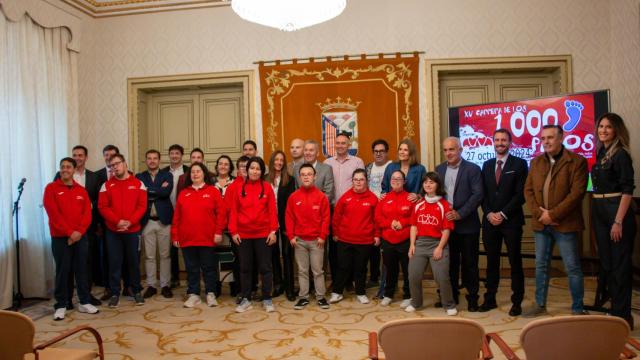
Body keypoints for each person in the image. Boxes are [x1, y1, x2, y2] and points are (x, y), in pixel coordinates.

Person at [523, 125, 588, 317]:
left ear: (561, 138)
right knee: (541, 265)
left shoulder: (577, 161)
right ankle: (540, 305)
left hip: (565, 225)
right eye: (543, 138)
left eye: (550, 138)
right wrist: (539, 214)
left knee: (572, 267)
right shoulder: (535, 162)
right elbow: (528, 191)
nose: (546, 142)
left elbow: (577, 194)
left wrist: (553, 215)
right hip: (541, 223)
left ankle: (577, 307)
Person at [591, 113, 636, 329]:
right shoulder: (601, 152)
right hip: (599, 210)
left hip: (616, 211)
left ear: (617, 129)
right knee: (607, 264)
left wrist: (618, 221)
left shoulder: (621, 155)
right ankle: (614, 309)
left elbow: (628, 190)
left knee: (619, 266)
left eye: (608, 127)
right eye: (601, 126)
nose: (604, 130)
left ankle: (623, 316)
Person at [479, 129, 528, 316]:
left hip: (511, 222)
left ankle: (517, 302)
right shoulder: (487, 164)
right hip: (490, 221)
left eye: (504, 140)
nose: (500, 143)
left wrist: (503, 214)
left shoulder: (520, 164)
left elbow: (521, 194)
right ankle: (490, 298)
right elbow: (482, 194)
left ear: (510, 142)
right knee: (491, 262)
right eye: (497, 140)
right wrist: (490, 213)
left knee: (515, 262)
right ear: (493, 142)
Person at [44, 157, 99, 320]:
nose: (65, 169)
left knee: (82, 270)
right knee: (63, 271)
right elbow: (53, 214)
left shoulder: (81, 191)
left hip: (80, 237)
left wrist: (78, 233)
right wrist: (69, 233)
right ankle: (61, 304)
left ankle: (84, 301)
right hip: (61, 238)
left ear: (74, 170)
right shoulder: (51, 188)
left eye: (68, 167)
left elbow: (87, 214)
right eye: (62, 167)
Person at [435, 137, 483, 312]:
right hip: (447, 227)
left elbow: (477, 195)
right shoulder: (439, 169)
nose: (448, 153)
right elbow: (435, 194)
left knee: (470, 264)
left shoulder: (473, 169)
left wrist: (460, 213)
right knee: (450, 264)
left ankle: (472, 298)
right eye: (445, 150)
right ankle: (451, 297)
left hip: (468, 225)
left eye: (452, 149)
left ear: (460, 150)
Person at [172, 162, 226, 308]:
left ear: (204, 174)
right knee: (191, 268)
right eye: (193, 172)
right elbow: (176, 217)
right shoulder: (184, 193)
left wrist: (218, 232)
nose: (195, 174)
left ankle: (210, 293)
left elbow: (221, 214)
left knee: (209, 268)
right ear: (190, 176)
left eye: (198, 171)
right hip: (187, 238)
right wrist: (175, 236)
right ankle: (194, 294)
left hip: (207, 238)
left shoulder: (213, 191)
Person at [229, 157, 279, 313]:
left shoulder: (267, 188)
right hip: (243, 235)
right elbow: (233, 211)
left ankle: (267, 298)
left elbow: (272, 211)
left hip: (263, 234)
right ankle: (245, 299)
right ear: (247, 170)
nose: (254, 171)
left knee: (265, 268)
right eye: (252, 168)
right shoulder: (238, 188)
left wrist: (273, 231)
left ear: (262, 171)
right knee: (245, 268)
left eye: (258, 169)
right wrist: (233, 231)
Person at [54, 145, 102, 307]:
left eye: (80, 155)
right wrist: (70, 232)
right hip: (64, 233)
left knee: (86, 264)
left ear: (86, 157)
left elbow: (96, 201)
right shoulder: (57, 178)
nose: (77, 157)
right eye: (75, 155)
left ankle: (86, 296)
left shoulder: (94, 177)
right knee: (65, 267)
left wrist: (89, 207)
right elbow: (56, 208)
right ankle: (65, 300)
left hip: (86, 228)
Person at [98, 154, 147, 308]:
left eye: (117, 164)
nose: (114, 168)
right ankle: (114, 293)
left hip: (133, 231)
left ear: (125, 164)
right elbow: (103, 207)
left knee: (133, 261)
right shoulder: (106, 185)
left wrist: (130, 222)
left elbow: (142, 206)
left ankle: (136, 290)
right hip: (113, 231)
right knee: (114, 262)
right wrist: (117, 221)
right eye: (111, 166)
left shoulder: (139, 184)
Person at [405, 172, 457, 316]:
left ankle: (449, 304)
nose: (428, 185)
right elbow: (413, 226)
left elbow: (446, 229)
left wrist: (440, 248)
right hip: (420, 244)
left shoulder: (444, 205)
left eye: (432, 182)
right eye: (426, 182)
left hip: (438, 243)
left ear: (437, 185)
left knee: (441, 277)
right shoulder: (418, 204)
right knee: (413, 275)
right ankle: (416, 302)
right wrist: (412, 245)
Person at [329, 169, 380, 304]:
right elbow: (336, 217)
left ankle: (360, 292)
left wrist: (376, 235)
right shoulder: (345, 197)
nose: (358, 182)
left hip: (364, 240)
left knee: (361, 268)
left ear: (366, 181)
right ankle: (337, 292)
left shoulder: (373, 199)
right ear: (352, 181)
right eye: (356, 179)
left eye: (361, 179)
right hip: (344, 239)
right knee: (342, 267)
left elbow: (377, 220)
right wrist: (335, 233)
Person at [286, 163, 331, 310]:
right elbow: (289, 217)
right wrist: (291, 236)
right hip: (299, 241)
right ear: (300, 178)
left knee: (318, 270)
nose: (306, 177)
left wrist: (322, 236)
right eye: (303, 175)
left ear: (315, 176)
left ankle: (321, 297)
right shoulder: (293, 197)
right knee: (302, 270)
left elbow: (326, 218)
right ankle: (303, 297)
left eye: (309, 174)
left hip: (317, 241)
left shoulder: (321, 197)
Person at [137, 150, 174, 299]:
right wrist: (158, 189)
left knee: (165, 255)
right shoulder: (140, 177)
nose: (152, 161)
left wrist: (148, 190)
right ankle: (151, 285)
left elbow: (166, 193)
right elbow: (140, 194)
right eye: (149, 158)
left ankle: (165, 285)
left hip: (163, 220)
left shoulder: (167, 175)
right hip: (147, 221)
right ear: (146, 160)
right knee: (149, 256)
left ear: (159, 160)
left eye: (155, 158)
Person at [374, 170, 412, 308]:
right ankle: (388, 294)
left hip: (405, 240)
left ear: (404, 181)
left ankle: (408, 295)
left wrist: (402, 223)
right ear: (390, 181)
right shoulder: (383, 198)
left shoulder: (410, 198)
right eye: (393, 178)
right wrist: (390, 224)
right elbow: (378, 218)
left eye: (399, 178)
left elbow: (414, 217)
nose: (396, 181)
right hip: (388, 240)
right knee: (390, 269)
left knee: (408, 269)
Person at [266, 150, 297, 300]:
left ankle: (290, 287)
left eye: (281, 160)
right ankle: (278, 285)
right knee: (272, 255)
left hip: (285, 222)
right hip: (268, 223)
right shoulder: (265, 179)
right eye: (276, 160)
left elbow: (292, 204)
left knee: (287, 254)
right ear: (271, 162)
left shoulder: (290, 180)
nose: (278, 162)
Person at [366, 139, 392, 291]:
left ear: (386, 152)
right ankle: (374, 277)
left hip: (387, 211)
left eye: (381, 151)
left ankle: (388, 280)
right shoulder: (368, 167)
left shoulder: (392, 167)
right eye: (376, 151)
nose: (378, 154)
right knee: (373, 246)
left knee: (387, 246)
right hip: (370, 210)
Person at [162, 144, 189, 289]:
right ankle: (174, 277)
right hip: (167, 213)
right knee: (171, 248)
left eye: (177, 153)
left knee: (186, 247)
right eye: (171, 153)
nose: (174, 156)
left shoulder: (189, 171)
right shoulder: (163, 172)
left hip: (185, 215)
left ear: (181, 155)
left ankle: (190, 276)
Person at [95, 144, 119, 301]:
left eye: (112, 155)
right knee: (107, 256)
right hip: (104, 224)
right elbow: (94, 201)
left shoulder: (129, 174)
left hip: (126, 223)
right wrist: (98, 223)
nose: (109, 158)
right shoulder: (96, 176)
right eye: (106, 155)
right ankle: (108, 288)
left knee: (125, 256)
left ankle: (127, 286)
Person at [324, 132, 365, 203]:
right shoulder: (327, 163)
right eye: (338, 143)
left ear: (349, 145)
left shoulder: (358, 162)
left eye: (343, 143)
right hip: (332, 205)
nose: (340, 146)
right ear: (334, 145)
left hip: (352, 204)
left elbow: (362, 184)